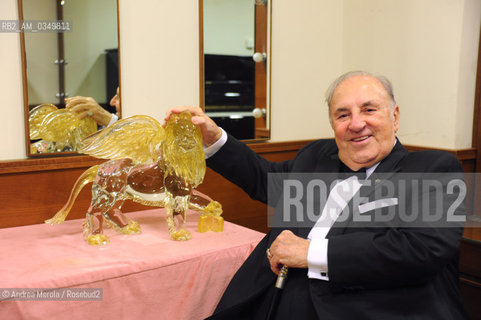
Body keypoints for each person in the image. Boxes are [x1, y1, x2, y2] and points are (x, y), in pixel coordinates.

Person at [165, 71, 468, 319]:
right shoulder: (316, 156)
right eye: (342, 114)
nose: (356, 123)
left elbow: (421, 250)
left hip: (367, 307)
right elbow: (265, 181)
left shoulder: (434, 169)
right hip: (273, 298)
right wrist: (215, 139)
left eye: (369, 109)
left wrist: (309, 253)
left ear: (395, 116)